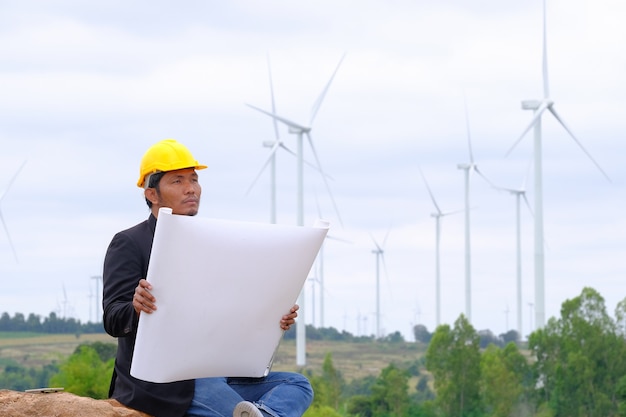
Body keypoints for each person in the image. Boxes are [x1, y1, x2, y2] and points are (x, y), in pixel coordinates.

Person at [102, 138, 314, 417]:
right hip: (164, 384)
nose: (191, 188)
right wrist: (136, 308)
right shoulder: (129, 242)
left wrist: (274, 317)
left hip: (220, 371)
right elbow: (113, 318)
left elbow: (229, 308)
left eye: (194, 179)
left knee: (298, 385)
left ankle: (262, 414)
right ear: (152, 194)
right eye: (177, 181)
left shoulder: (213, 241)